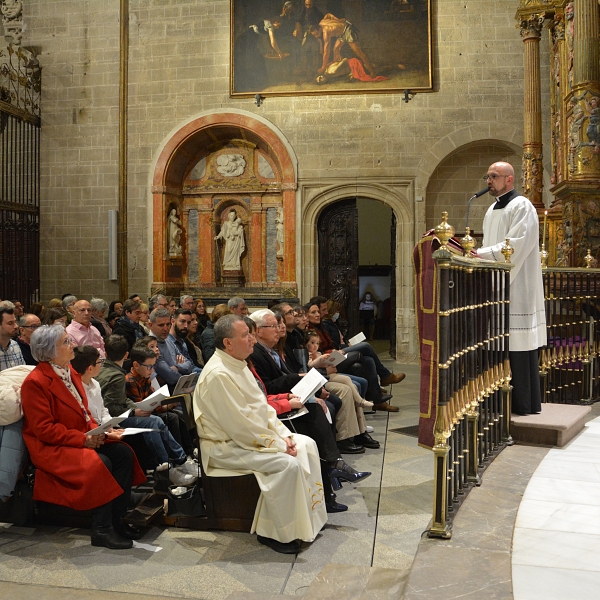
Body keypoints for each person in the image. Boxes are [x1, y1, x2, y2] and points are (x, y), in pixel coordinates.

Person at [193, 314, 328, 554]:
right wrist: (279, 445)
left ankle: (308, 519)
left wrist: (284, 436)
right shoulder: (219, 375)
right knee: (286, 465)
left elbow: (261, 409)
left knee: (306, 444)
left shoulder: (238, 364)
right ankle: (275, 533)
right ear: (228, 343)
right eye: (246, 335)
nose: (253, 340)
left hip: (246, 439)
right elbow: (239, 426)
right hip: (224, 448)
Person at [21, 325, 146, 549]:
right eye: (66, 342)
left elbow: (84, 412)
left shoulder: (69, 372)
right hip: (51, 446)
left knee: (123, 453)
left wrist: (102, 431)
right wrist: (84, 439)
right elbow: (44, 429)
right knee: (100, 462)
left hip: (80, 436)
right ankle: (101, 529)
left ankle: (117, 520)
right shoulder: (36, 382)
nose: (73, 346)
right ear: (50, 351)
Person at [477, 161, 547, 415]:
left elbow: (516, 244)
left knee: (516, 344)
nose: (488, 181)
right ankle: (497, 402)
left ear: (509, 179)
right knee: (497, 343)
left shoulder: (522, 206)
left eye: (493, 176)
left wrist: (480, 255)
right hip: (496, 283)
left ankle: (522, 403)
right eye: (487, 176)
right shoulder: (491, 209)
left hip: (517, 286)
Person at [95, 335, 196, 486]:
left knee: (169, 417)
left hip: (115, 416)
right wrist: (134, 411)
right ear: (128, 357)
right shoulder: (119, 376)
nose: (151, 370)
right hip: (111, 421)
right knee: (154, 421)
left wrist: (143, 407)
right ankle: (166, 467)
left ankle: (180, 460)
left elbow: (121, 402)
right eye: (149, 367)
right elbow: (111, 407)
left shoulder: (105, 371)